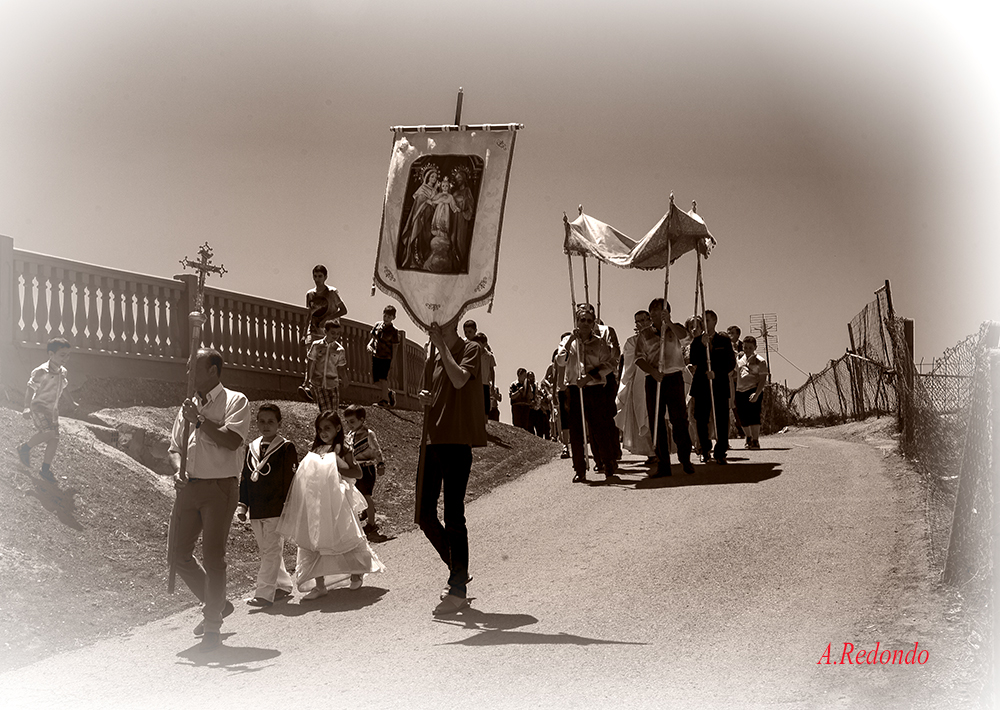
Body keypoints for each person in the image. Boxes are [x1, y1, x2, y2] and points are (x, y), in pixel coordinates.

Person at [167, 348, 251, 649]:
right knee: (177, 553)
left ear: (213, 371)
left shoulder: (235, 400)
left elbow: (232, 441)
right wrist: (178, 470)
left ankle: (212, 622)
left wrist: (200, 420)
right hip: (189, 488)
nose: (187, 374)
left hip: (219, 488)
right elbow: (175, 448)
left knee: (213, 556)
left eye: (194, 368)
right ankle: (216, 603)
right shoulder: (185, 408)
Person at [417, 320, 486, 615]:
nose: (435, 324)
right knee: (424, 514)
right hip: (432, 439)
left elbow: (459, 380)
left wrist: (441, 345)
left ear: (455, 320)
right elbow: (428, 392)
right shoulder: (431, 353)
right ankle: (458, 568)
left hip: (457, 440)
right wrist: (426, 397)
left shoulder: (471, 348)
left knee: (453, 514)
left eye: (442, 320)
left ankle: (457, 586)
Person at [277, 410, 384, 600]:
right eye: (319, 429)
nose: (323, 432)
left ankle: (356, 572)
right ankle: (319, 585)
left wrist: (336, 461)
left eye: (327, 428)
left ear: (337, 428)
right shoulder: (315, 450)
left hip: (338, 502)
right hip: (317, 503)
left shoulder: (343, 449)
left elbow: (356, 474)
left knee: (344, 536)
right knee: (315, 541)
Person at [236, 403, 298, 608]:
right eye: (262, 421)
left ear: (279, 424)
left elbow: (290, 480)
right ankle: (282, 585)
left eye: (271, 421)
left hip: (276, 508)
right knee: (267, 551)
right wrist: (243, 505)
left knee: (271, 550)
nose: (266, 425)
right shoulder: (251, 447)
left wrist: (289, 507)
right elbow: (245, 477)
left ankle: (263, 594)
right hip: (256, 509)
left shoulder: (286, 447)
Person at [556, 304, 620, 483]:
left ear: (593, 324)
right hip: (574, 390)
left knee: (600, 429)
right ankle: (579, 468)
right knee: (576, 431)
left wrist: (590, 377)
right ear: (576, 321)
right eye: (582, 320)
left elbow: (609, 364)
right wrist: (570, 341)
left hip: (595, 388)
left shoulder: (599, 342)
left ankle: (608, 465)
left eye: (589, 321)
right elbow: (560, 361)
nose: (585, 323)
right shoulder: (568, 341)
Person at [634, 299, 695, 476]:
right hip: (654, 380)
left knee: (679, 420)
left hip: (674, 377)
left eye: (659, 311)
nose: (654, 315)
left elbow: (687, 339)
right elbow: (639, 358)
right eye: (652, 312)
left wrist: (668, 323)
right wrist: (652, 372)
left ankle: (685, 458)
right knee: (657, 421)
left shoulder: (674, 329)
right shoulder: (645, 334)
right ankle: (663, 463)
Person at [18, 337, 78, 482]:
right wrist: (26, 407)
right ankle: (24, 448)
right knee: (48, 433)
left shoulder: (63, 372)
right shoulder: (41, 371)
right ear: (51, 354)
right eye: (62, 355)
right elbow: (30, 389)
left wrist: (72, 403)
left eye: (68, 355)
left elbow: (64, 388)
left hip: (53, 411)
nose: (66, 358)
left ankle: (45, 469)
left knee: (54, 439)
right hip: (38, 407)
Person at [690, 310, 738, 464]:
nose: (704, 323)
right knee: (701, 419)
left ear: (715, 321)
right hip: (702, 385)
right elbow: (693, 360)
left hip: (719, 385)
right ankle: (705, 449)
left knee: (721, 419)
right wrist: (702, 345)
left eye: (707, 320)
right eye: (702, 320)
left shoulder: (723, 340)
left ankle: (721, 451)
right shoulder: (697, 341)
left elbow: (731, 363)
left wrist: (716, 373)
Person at [614, 311, 655, 458]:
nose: (642, 323)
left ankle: (661, 449)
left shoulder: (658, 338)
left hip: (656, 378)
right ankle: (651, 451)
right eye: (638, 321)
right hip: (639, 382)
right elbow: (630, 365)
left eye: (645, 319)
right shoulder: (631, 342)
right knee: (642, 415)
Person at [343, 404, 386, 537]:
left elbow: (376, 450)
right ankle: (366, 511)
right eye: (347, 422)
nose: (350, 425)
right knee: (358, 493)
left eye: (353, 421)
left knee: (367, 495)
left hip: (367, 468)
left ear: (362, 420)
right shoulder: (350, 434)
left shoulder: (368, 434)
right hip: (356, 468)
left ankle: (372, 523)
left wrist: (381, 464)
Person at [306, 319, 349, 413]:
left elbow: (341, 367)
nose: (335, 336)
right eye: (333, 333)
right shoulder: (316, 345)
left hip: (333, 383)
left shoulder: (340, 349)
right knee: (325, 410)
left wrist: (345, 378)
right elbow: (311, 362)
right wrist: (307, 379)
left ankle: (330, 426)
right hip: (318, 383)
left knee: (334, 411)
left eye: (338, 333)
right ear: (325, 331)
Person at [735, 335, 769, 450]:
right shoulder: (739, 358)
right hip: (740, 391)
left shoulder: (760, 361)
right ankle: (748, 437)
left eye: (750, 347)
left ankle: (755, 440)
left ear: (755, 347)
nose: (747, 350)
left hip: (753, 389)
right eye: (745, 347)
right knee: (742, 416)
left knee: (754, 415)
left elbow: (763, 379)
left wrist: (757, 393)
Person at [304, 264, 347, 345]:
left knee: (326, 356)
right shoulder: (310, 294)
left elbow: (343, 310)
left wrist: (327, 319)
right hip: (313, 331)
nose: (317, 279)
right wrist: (304, 334)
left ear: (325, 277)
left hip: (328, 333)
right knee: (311, 355)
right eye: (315, 276)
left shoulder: (332, 292)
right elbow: (309, 314)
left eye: (320, 276)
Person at [368, 305, 401, 408]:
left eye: (389, 317)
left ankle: (384, 401)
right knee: (376, 381)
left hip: (386, 357)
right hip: (376, 355)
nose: (386, 318)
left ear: (393, 318)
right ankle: (389, 393)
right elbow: (373, 338)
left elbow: (395, 347)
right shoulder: (377, 325)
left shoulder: (394, 331)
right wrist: (369, 345)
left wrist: (393, 361)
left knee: (383, 379)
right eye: (385, 316)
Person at [727, 325, 746, 440]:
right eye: (728, 333)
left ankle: (744, 429)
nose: (730, 335)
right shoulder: (725, 345)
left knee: (741, 406)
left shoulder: (744, 346)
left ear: (738, 334)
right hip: (730, 380)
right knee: (733, 405)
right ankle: (739, 429)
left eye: (732, 333)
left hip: (741, 381)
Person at [471, 332, 496, 418]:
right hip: (474, 383)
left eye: (479, 343)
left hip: (485, 383)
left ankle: (485, 424)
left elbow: (492, 370)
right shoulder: (473, 354)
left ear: (485, 344)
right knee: (474, 403)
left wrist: (493, 385)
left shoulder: (489, 356)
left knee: (486, 406)